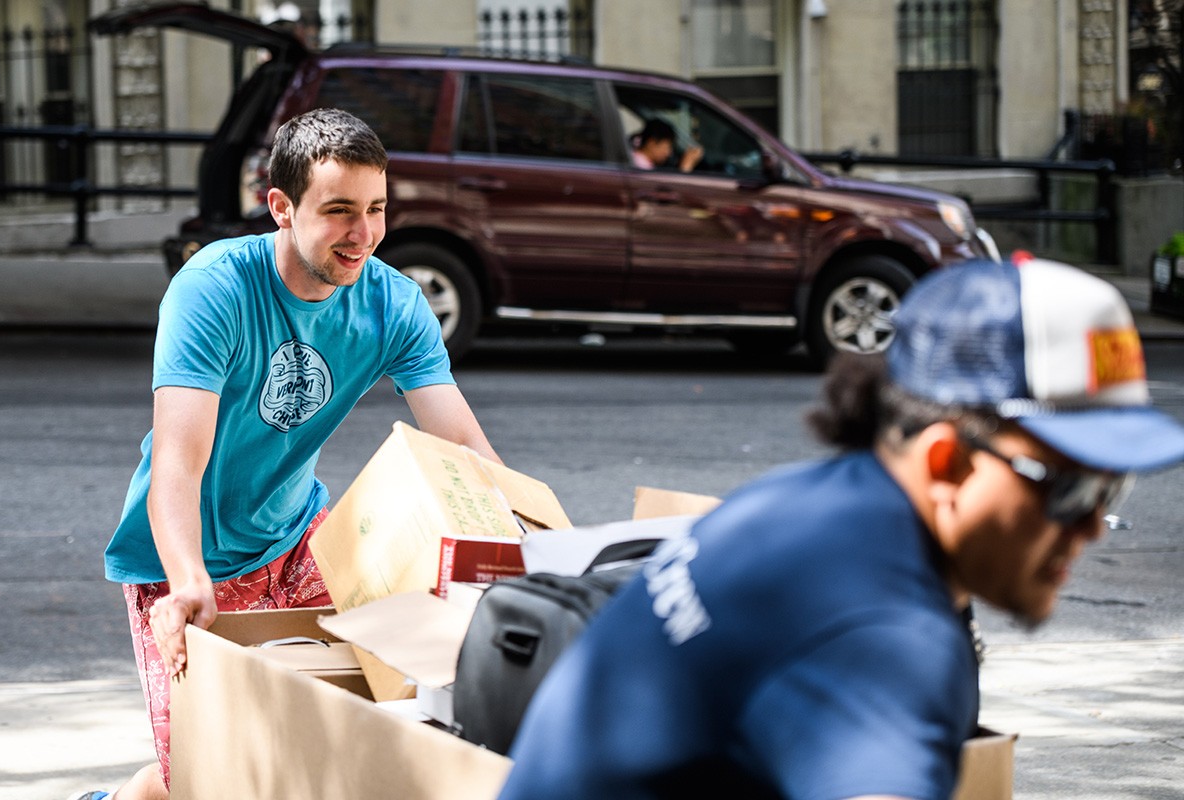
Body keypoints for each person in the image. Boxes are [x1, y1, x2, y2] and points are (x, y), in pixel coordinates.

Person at [498, 255, 1184, 800]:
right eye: (1071, 488)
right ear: (945, 461)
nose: (1093, 525)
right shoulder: (884, 638)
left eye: (1112, 487)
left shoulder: (809, 503)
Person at [78, 108, 500, 800]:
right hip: (183, 564)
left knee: (342, 737)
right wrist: (187, 580)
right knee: (209, 779)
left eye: (376, 209)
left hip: (299, 538)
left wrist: (541, 555)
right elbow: (177, 464)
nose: (362, 234)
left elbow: (463, 449)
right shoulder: (214, 290)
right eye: (338, 211)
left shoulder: (393, 304)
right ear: (280, 206)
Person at [630, 117, 704, 172]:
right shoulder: (641, 166)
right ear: (652, 143)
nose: (668, 153)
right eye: (667, 147)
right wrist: (686, 166)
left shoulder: (636, 159)